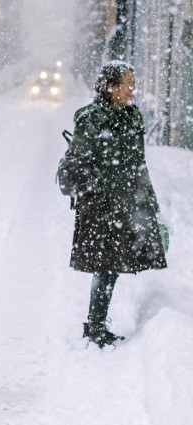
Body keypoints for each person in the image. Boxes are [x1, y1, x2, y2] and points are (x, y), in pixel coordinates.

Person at [66, 60, 167, 348]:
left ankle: (96, 324)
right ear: (112, 87)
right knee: (106, 265)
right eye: (128, 82)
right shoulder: (91, 119)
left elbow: (138, 165)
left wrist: (149, 203)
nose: (133, 88)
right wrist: (99, 188)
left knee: (113, 264)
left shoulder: (132, 117)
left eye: (133, 81)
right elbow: (77, 164)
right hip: (100, 205)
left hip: (126, 202)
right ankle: (95, 326)